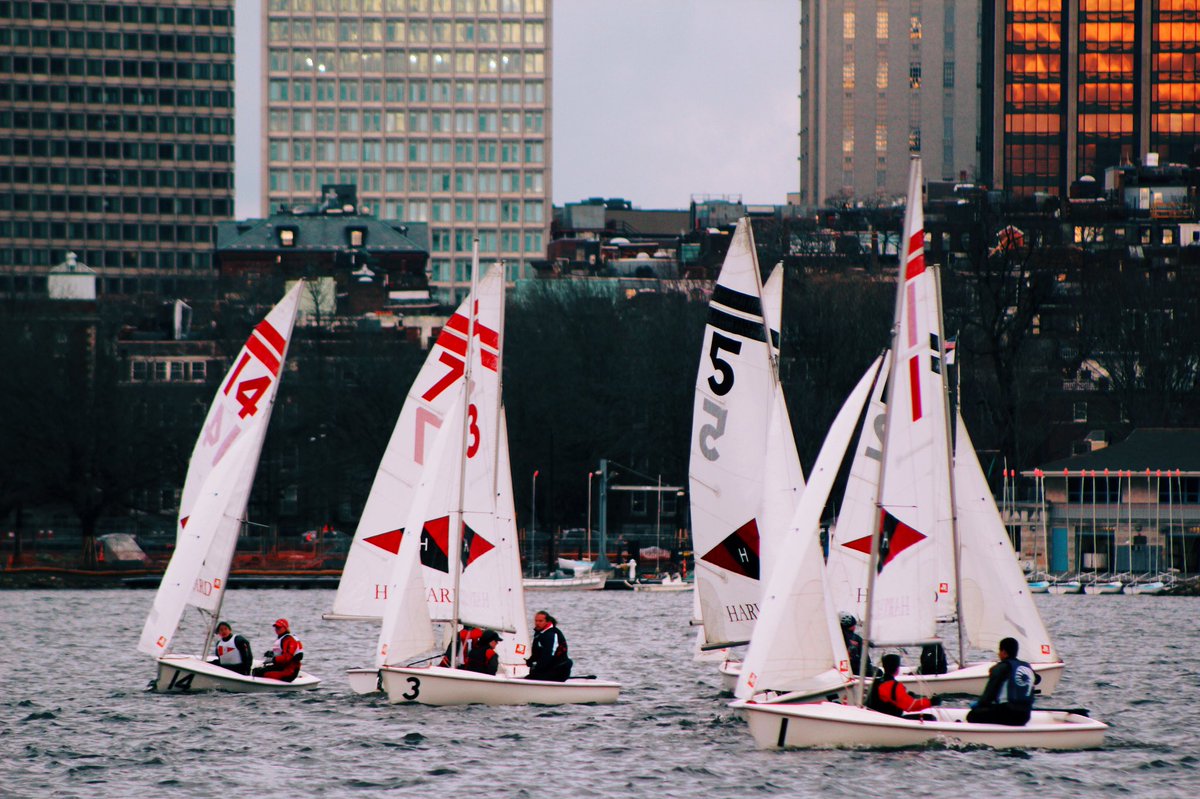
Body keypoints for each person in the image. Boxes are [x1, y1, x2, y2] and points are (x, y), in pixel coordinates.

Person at [966, 636, 1037, 726]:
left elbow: (988, 696)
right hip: (1025, 716)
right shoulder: (1028, 668)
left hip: (1007, 713)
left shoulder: (1001, 668)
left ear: (1004, 652)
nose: (998, 654)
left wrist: (979, 705)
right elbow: (1037, 679)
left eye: (999, 651)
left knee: (972, 715)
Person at [866, 653, 941, 716]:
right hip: (891, 720)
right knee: (930, 717)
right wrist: (931, 702)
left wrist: (908, 696)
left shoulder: (876, 682)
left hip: (879, 717)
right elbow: (910, 706)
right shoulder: (893, 686)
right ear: (897, 669)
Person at [525, 610, 572, 681]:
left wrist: (537, 670)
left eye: (540, 621)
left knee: (531, 678)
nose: (537, 623)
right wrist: (530, 661)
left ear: (547, 621)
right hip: (549, 667)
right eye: (536, 621)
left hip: (559, 669)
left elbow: (548, 655)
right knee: (531, 676)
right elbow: (536, 652)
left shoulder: (551, 634)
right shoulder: (539, 633)